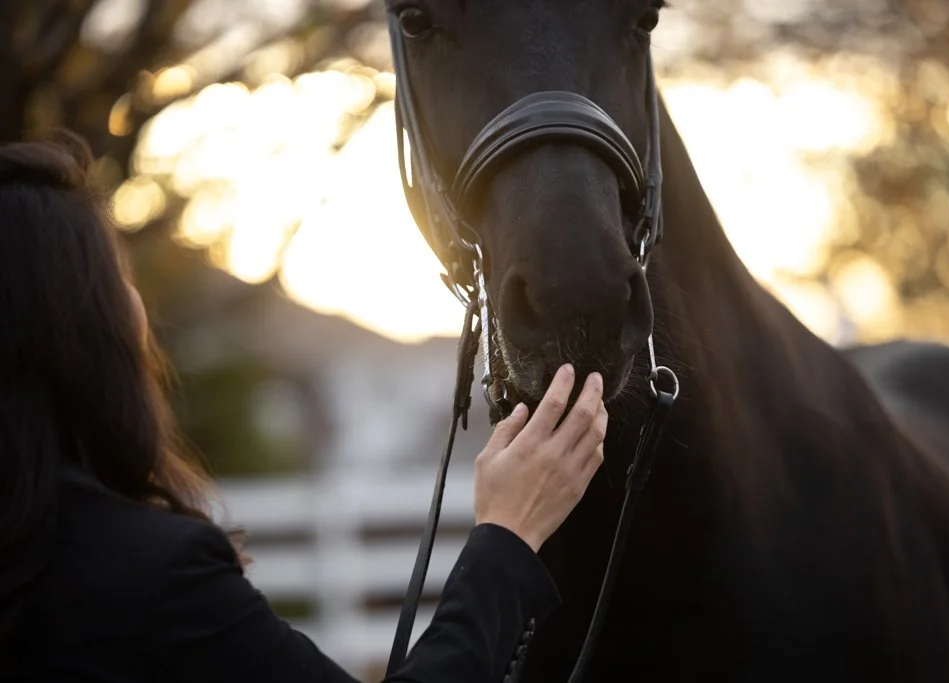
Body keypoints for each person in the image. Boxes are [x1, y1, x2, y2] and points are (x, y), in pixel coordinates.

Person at [0, 130, 609, 682]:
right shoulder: (148, 577)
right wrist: (507, 533)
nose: (137, 303)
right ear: (75, 326)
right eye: (116, 276)